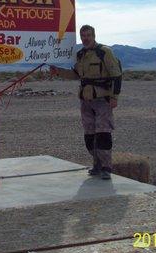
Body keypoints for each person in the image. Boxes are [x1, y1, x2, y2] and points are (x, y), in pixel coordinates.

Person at [50, 25, 122, 180]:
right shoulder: (81, 54)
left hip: (102, 99)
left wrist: (115, 96)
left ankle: (106, 167)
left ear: (94, 35)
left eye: (88, 35)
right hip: (85, 99)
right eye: (83, 36)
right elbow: (76, 74)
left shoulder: (104, 52)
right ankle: (96, 165)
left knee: (103, 132)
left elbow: (117, 75)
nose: (86, 38)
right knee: (89, 134)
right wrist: (58, 72)